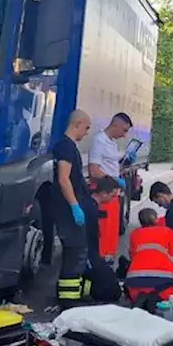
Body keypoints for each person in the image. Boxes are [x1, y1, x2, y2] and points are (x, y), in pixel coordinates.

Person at [51, 110, 93, 307]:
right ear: (77, 124)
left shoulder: (68, 147)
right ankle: (68, 301)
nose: (86, 133)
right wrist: (75, 206)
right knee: (75, 252)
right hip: (67, 210)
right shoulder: (66, 148)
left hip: (68, 207)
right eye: (86, 128)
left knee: (75, 252)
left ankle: (70, 296)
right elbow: (63, 178)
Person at [88, 113, 132, 261]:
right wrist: (114, 181)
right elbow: (94, 170)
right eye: (124, 130)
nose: (125, 135)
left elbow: (109, 166)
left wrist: (122, 167)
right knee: (103, 231)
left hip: (112, 194)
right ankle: (100, 260)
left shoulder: (111, 142)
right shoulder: (99, 141)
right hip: (104, 193)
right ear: (115, 125)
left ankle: (108, 257)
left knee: (112, 230)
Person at [125, 207, 173, 306]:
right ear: (156, 219)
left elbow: (133, 257)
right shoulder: (168, 232)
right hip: (164, 286)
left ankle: (144, 299)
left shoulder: (134, 234)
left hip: (135, 285)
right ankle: (153, 299)